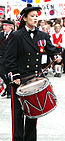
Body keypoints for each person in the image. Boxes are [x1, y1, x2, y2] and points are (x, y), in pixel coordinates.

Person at [5, 4, 61, 141]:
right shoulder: (16, 36)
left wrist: (56, 57)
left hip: (35, 80)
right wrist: (15, 75)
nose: (35, 18)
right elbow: (9, 59)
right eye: (32, 16)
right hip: (19, 80)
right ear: (25, 18)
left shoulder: (43, 35)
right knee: (18, 115)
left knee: (33, 114)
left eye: (37, 16)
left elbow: (52, 51)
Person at [0, 19, 14, 98]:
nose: (4, 27)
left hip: (9, 58)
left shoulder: (14, 35)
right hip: (1, 58)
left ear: (11, 27)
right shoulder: (1, 35)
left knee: (8, 75)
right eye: (3, 25)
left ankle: (9, 90)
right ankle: (7, 88)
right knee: (2, 73)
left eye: (6, 26)